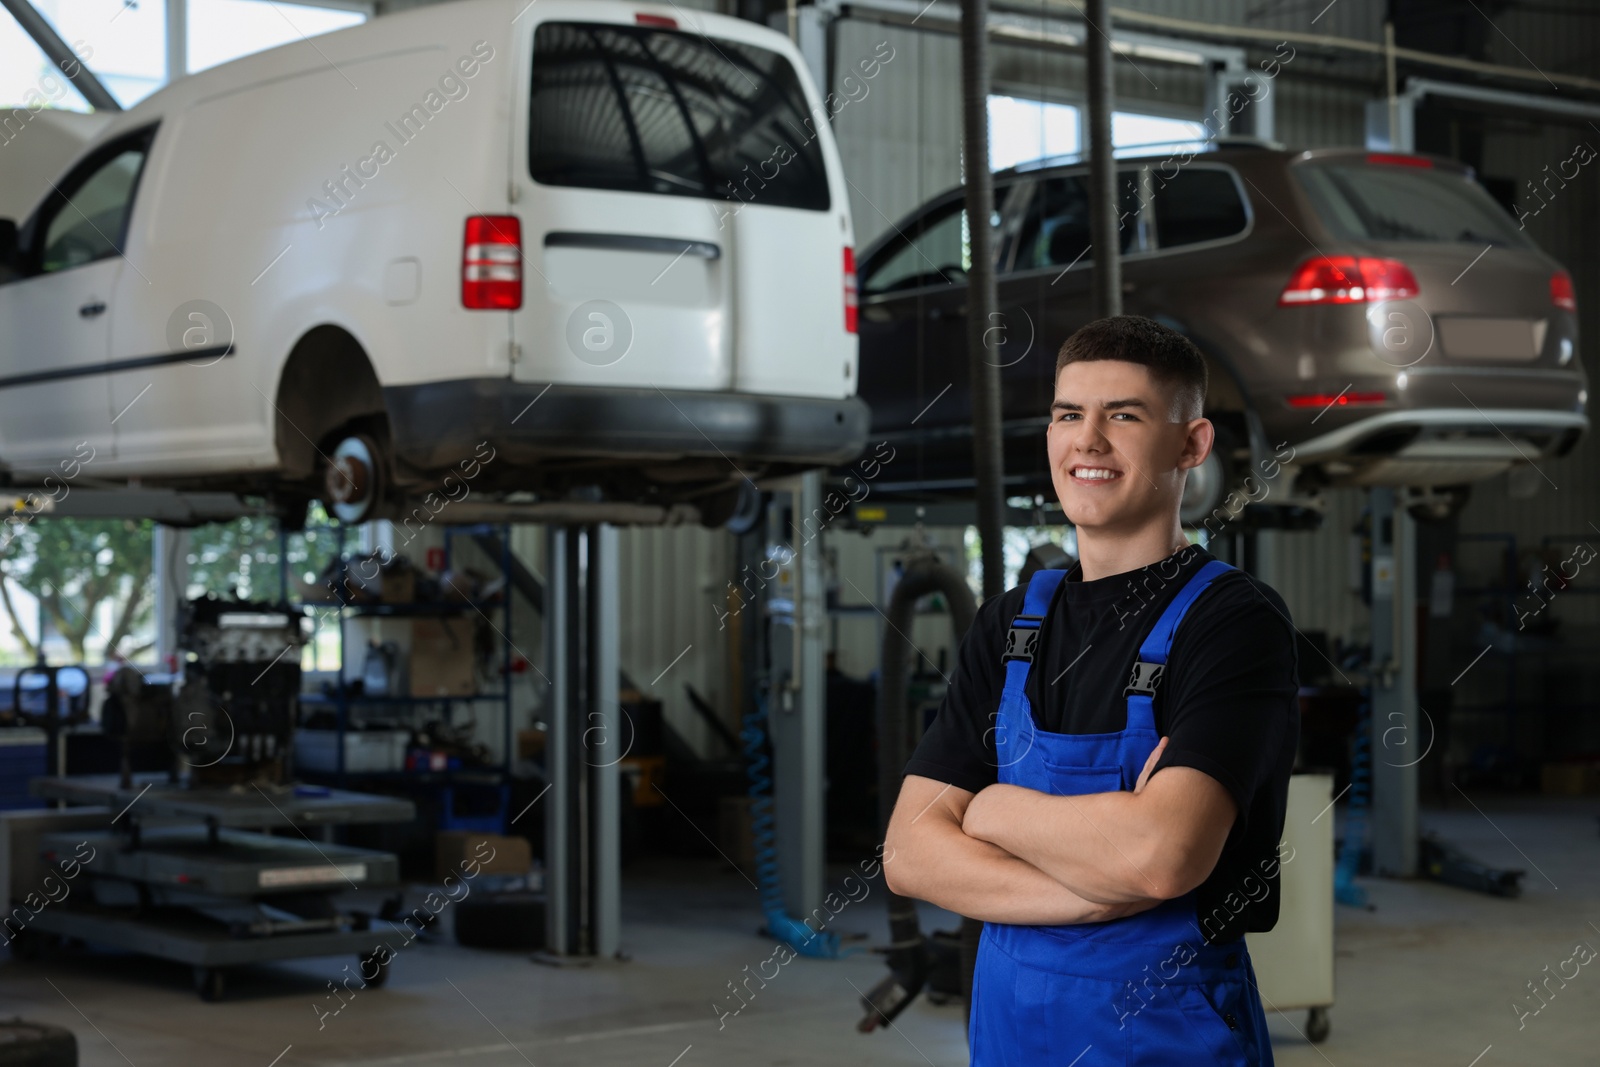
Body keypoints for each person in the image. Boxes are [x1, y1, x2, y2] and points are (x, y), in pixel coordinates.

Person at [883, 315, 1300, 1066]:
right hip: (1010, 1031)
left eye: (1124, 415)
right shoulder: (1011, 624)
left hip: (1165, 1033)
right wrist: (1095, 892)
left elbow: (1162, 857)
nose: (1089, 440)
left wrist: (992, 808)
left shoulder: (1233, 622)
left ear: (1192, 444)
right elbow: (911, 853)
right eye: (1069, 414)